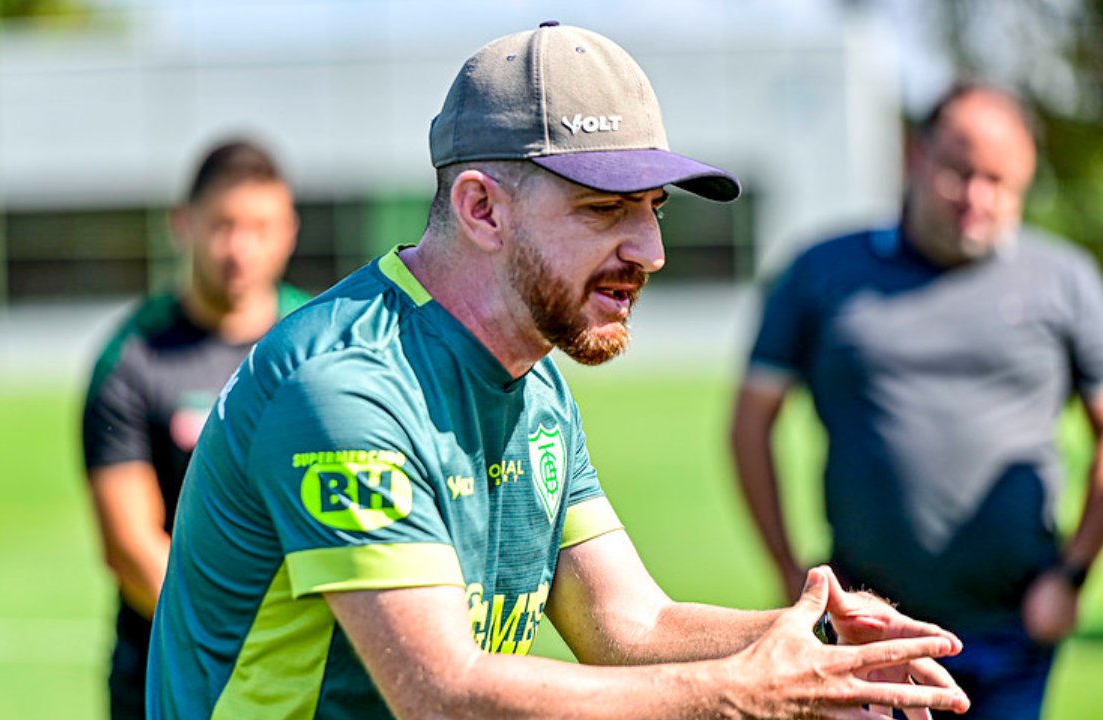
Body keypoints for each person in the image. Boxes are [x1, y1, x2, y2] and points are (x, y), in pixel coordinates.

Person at [148, 22, 971, 719]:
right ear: (482, 209)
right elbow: (440, 692)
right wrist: (733, 690)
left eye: (654, 210)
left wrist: (812, 640)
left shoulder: (531, 375)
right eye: (604, 208)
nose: (649, 252)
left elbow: (626, 621)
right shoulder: (345, 387)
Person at [731, 81, 1103, 719]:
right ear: (916, 156)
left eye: (1000, 182)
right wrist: (788, 570)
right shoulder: (822, 271)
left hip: (1014, 625)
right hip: (869, 627)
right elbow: (749, 424)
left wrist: (1071, 576)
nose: (977, 199)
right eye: (960, 172)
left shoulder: (1064, 280)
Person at [82, 139, 310, 719]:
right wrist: (243, 643)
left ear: (289, 231)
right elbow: (131, 548)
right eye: (223, 225)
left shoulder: (324, 343)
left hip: (305, 675)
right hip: (174, 675)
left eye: (261, 227)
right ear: (183, 224)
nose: (241, 248)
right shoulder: (132, 358)